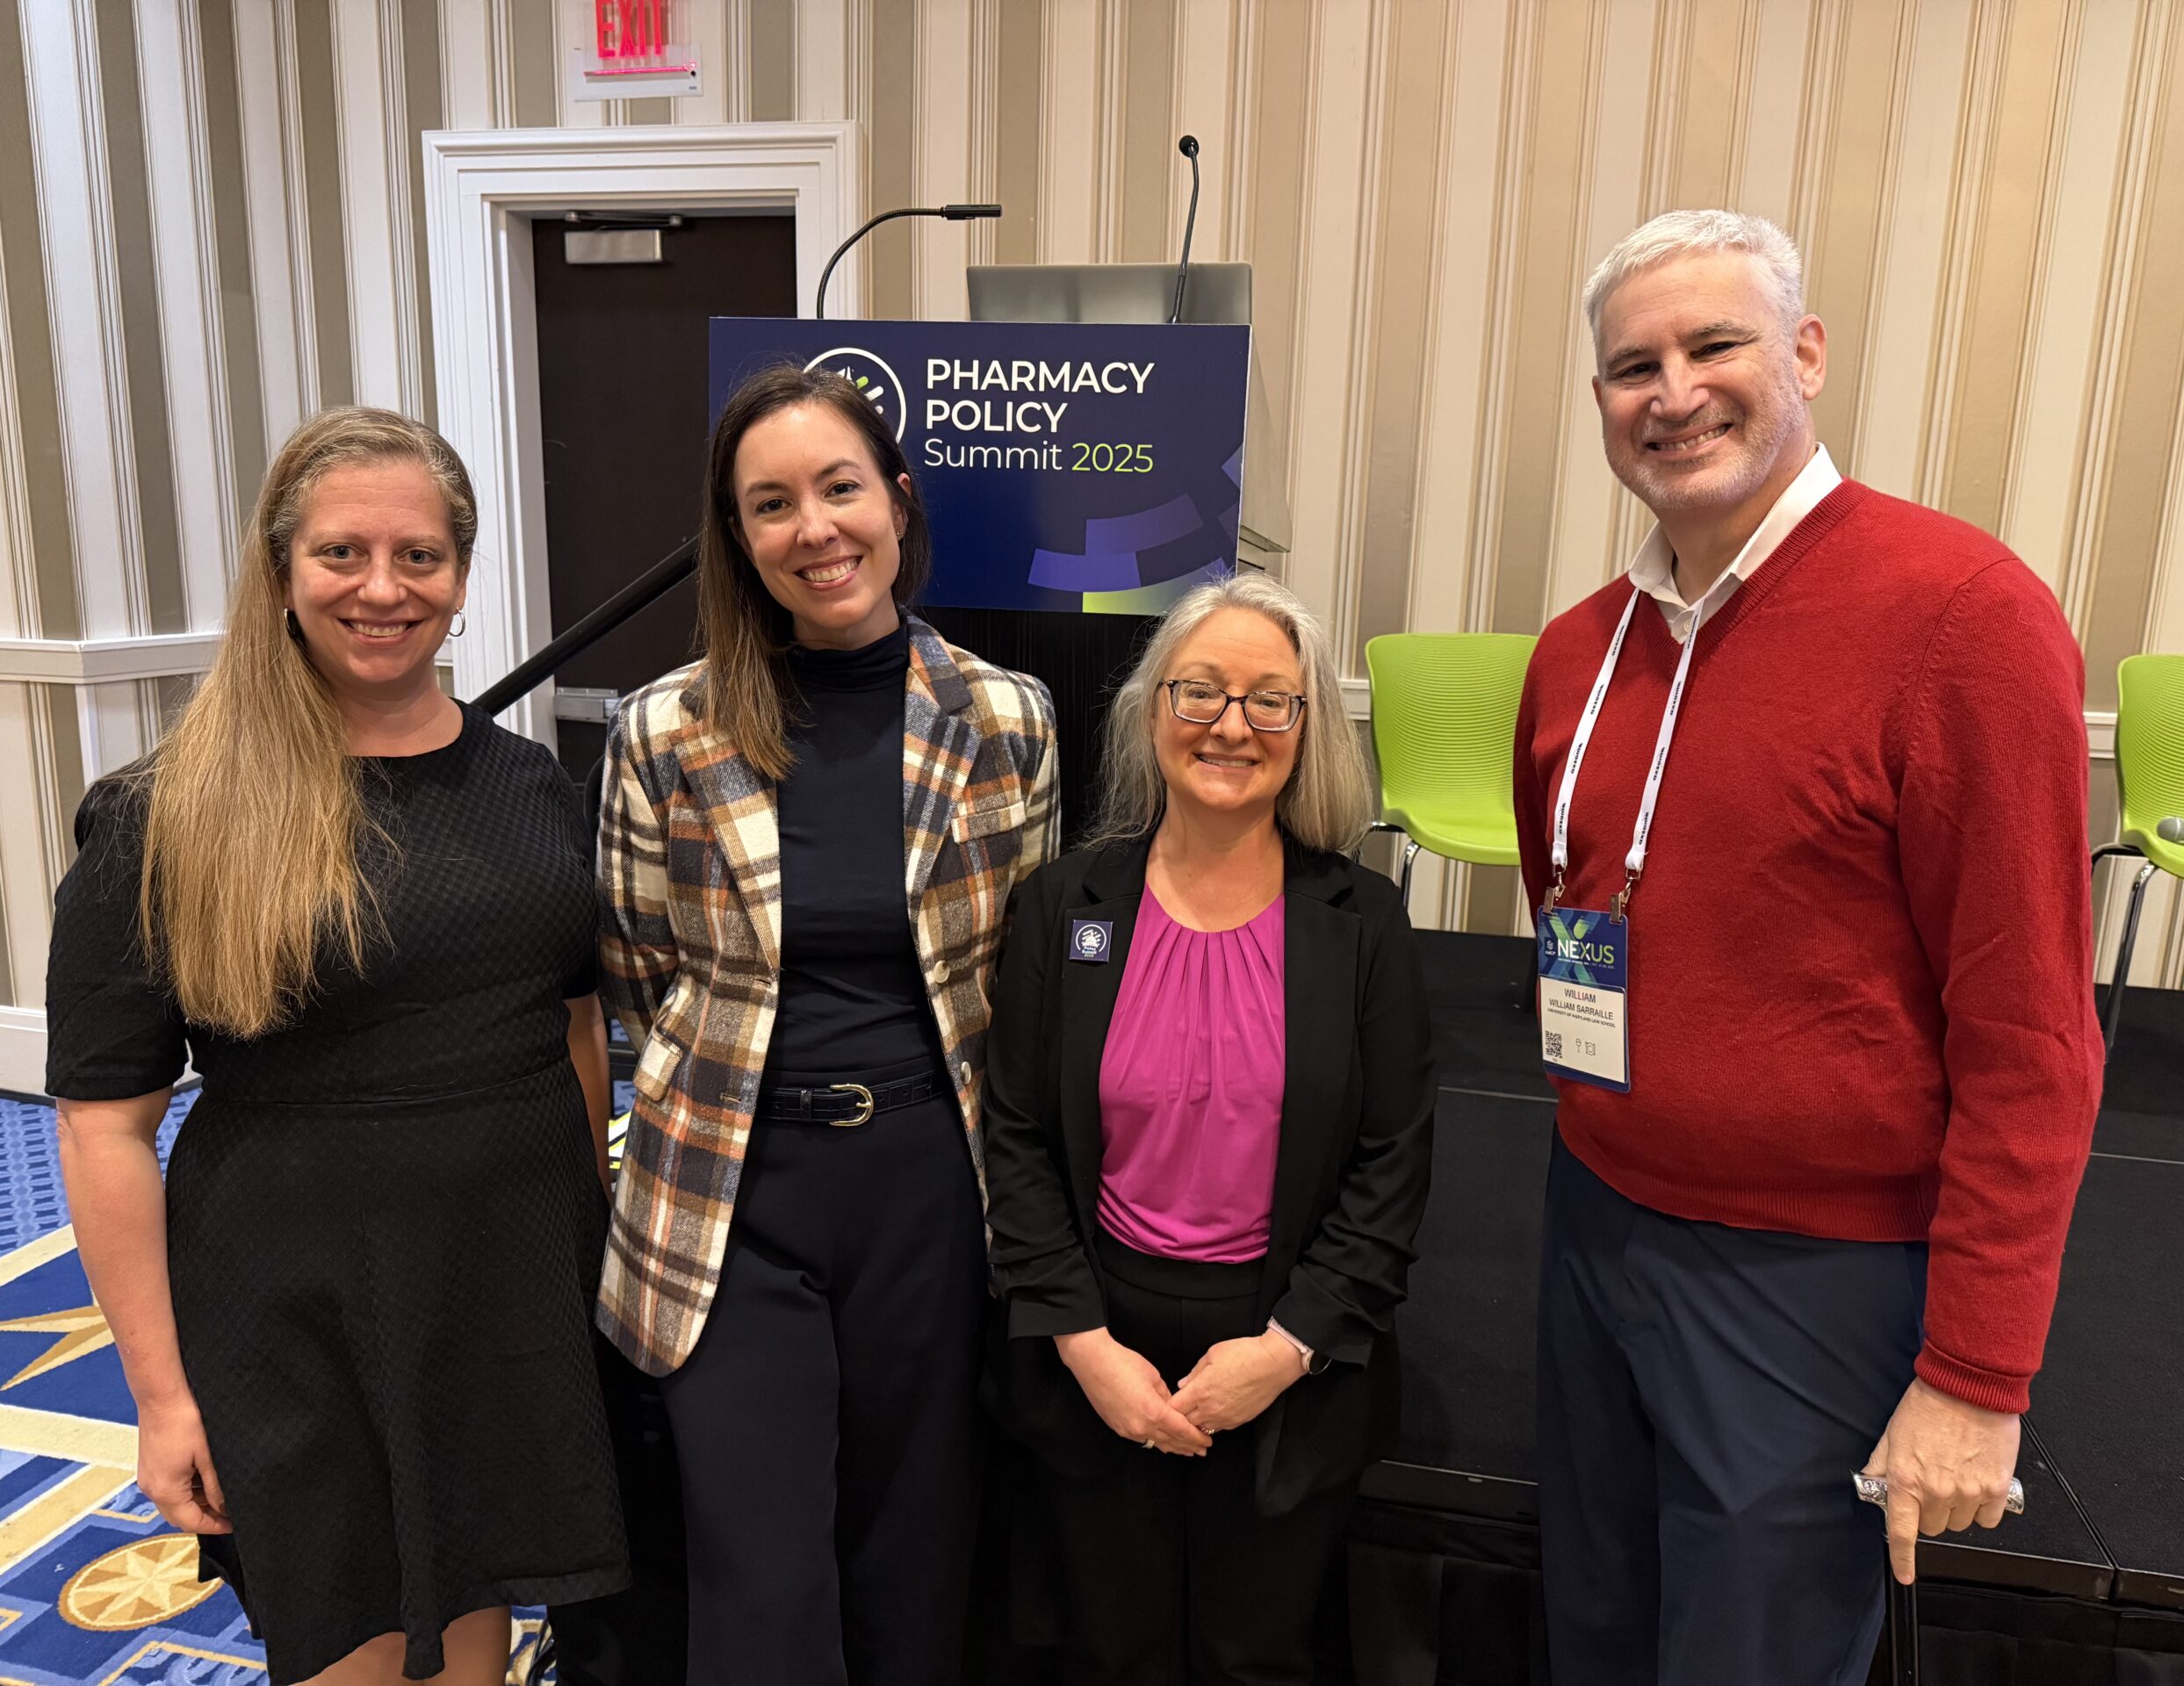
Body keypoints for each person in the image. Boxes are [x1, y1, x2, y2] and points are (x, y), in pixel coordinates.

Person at [1513, 209, 2102, 1684]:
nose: (1674, 393)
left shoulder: (1960, 619)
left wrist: (1977, 1374)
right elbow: (1565, 899)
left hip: (1815, 1278)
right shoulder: (1580, 649)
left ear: (1809, 354)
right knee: (1594, 1633)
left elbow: (2033, 1036)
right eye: (1632, 367)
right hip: (1597, 1224)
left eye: (1716, 345)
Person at [47, 407, 629, 1685]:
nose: (383, 588)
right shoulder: (169, 814)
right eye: (341, 554)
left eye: (420, 556)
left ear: (461, 579)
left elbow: (577, 1023)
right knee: (351, 1641)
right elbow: (102, 1127)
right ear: (281, 572)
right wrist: (162, 1397)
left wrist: (583, 1241)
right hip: (299, 1304)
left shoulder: (532, 787)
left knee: (477, 1627)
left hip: (509, 1288)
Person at [596, 364, 1058, 1685]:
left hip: (931, 1188)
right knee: (759, 1572)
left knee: (917, 1551)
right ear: (739, 539)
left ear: (898, 502)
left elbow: (1024, 981)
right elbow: (640, 977)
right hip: (733, 1192)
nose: (815, 529)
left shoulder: (1008, 719)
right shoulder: (664, 730)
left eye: (840, 487)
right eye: (771, 504)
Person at [982, 573, 1436, 1684]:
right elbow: (1017, 1139)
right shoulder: (1064, 905)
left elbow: (1392, 1166)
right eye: (1201, 691)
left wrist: (1285, 1351)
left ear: (1305, 729)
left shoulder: (1364, 923)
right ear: (1152, 711)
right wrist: (1084, 1347)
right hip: (1101, 1350)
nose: (1231, 725)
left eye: (1269, 700)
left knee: (1256, 1659)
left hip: (1288, 1357)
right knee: (1111, 1657)